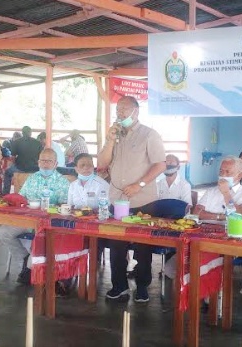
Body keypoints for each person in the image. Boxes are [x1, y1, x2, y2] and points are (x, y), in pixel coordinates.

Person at [97, 95, 166, 303]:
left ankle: (143, 286)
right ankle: (119, 285)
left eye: (125, 109)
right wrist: (109, 140)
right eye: (118, 108)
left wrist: (140, 185)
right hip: (117, 199)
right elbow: (101, 163)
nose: (120, 112)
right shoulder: (114, 135)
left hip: (142, 199)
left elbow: (160, 164)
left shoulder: (149, 135)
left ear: (136, 111)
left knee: (142, 246)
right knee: (116, 245)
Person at [0, 148, 69, 284]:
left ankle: (32, 269)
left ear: (56, 163)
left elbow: (65, 206)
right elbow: (21, 198)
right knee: (4, 232)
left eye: (49, 161)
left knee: (41, 239)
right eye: (42, 160)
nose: (45, 164)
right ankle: (25, 260)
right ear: (38, 162)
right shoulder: (32, 178)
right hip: (27, 219)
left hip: (48, 223)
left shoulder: (62, 182)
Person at [192, 155, 242, 221]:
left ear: (239, 175)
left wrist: (226, 194)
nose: (223, 175)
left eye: (228, 172)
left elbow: (241, 217)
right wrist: (221, 217)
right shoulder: (211, 191)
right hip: (206, 229)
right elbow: (196, 213)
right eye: (221, 171)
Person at [2, 126, 42, 195]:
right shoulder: (37, 142)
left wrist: (13, 165)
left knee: (7, 172)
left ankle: (5, 194)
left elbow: (13, 157)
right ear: (30, 133)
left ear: (22, 133)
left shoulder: (16, 142)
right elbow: (40, 157)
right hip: (34, 168)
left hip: (20, 168)